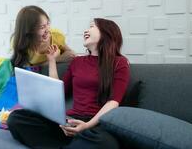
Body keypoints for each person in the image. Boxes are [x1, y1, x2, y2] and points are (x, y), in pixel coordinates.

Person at [7, 18, 130, 149]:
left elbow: (113, 102)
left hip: (95, 125)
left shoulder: (119, 63)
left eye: (92, 26)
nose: (86, 30)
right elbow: (58, 92)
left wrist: (87, 126)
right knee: (16, 118)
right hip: (69, 121)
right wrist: (52, 61)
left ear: (107, 33)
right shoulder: (77, 62)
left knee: (107, 144)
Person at [11, 5, 75, 68]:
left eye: (48, 24)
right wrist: (54, 60)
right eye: (42, 27)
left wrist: (54, 61)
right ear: (28, 31)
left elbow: (71, 54)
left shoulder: (56, 35)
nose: (47, 30)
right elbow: (25, 67)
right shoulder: (20, 43)